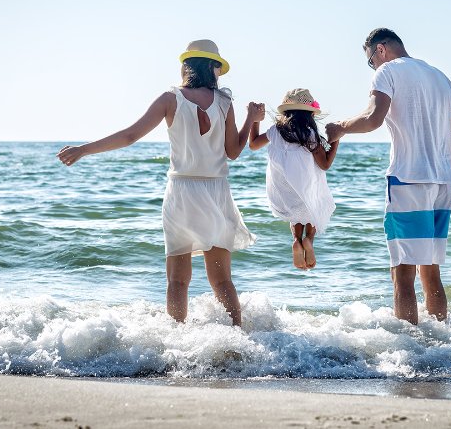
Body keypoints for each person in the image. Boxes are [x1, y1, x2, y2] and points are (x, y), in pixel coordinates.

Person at [56, 39, 265, 326]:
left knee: (178, 281)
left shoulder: (170, 99)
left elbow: (130, 136)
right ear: (213, 67)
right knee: (222, 280)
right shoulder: (224, 102)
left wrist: (84, 149)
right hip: (216, 191)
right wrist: (251, 119)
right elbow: (233, 151)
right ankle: (237, 343)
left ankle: (175, 343)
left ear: (187, 66)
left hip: (180, 192)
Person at [325, 28, 451, 324]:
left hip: (408, 179)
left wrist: (340, 128)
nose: (373, 67)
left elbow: (372, 120)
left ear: (380, 49)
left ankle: (410, 353)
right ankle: (440, 346)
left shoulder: (387, 72)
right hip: (442, 183)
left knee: (402, 273)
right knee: (430, 271)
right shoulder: (440, 77)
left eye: (370, 60)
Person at [249, 88, 338, 270]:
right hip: (305, 187)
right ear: (310, 115)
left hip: (282, 189)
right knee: (312, 211)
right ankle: (308, 240)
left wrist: (255, 121)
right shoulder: (310, 135)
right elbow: (325, 164)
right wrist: (336, 142)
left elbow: (253, 144)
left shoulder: (275, 131)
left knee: (295, 215)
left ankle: (296, 240)